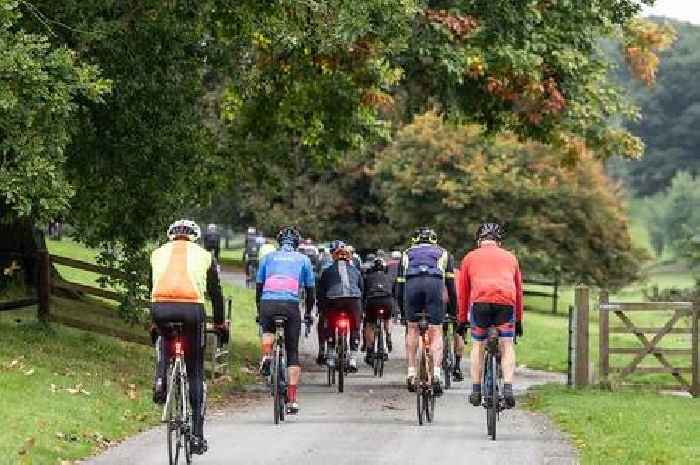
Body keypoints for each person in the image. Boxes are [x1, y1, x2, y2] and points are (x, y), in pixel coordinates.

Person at [150, 219, 227, 455]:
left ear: (170, 236)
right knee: (194, 369)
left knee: (164, 337)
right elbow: (215, 292)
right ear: (195, 237)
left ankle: (161, 380)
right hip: (192, 310)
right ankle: (197, 434)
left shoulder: (157, 254)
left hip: (161, 308)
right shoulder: (205, 256)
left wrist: (154, 320)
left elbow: (151, 285)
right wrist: (221, 322)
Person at [457, 223, 523, 409]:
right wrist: (518, 320)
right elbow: (519, 291)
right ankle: (508, 387)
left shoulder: (470, 257)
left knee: (478, 345)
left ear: (479, 241)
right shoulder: (511, 257)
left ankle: (476, 390)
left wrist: (462, 320)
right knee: (507, 344)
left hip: (481, 303)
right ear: (499, 242)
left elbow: (463, 293)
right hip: (505, 302)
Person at [256, 227, 315, 415]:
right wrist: (308, 313)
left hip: (268, 302)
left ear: (279, 242)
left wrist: (260, 310)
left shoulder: (268, 258)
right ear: (296, 244)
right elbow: (310, 291)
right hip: (290, 304)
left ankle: (266, 356)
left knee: (267, 331)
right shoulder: (303, 259)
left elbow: (259, 287)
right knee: (292, 351)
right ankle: (292, 399)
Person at [397, 227, 457, 395]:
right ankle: (437, 373)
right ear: (434, 240)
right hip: (434, 285)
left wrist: (403, 313)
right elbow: (451, 288)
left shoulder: (406, 253)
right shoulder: (444, 254)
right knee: (436, 330)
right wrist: (453, 312)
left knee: (413, 328)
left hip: (412, 285)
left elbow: (400, 285)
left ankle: (411, 372)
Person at [317, 241, 364, 372]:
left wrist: (321, 308)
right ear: (349, 258)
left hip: (334, 300)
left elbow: (321, 292)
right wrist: (362, 309)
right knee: (355, 326)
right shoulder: (355, 270)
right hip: (353, 300)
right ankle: (353, 358)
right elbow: (362, 289)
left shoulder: (327, 271)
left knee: (330, 324)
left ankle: (331, 354)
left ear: (334, 257)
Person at [363, 256, 394, 365]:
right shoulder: (389, 277)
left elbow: (363, 294)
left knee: (370, 324)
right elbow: (393, 292)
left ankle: (370, 350)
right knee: (387, 319)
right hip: (387, 301)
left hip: (372, 301)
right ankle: (388, 336)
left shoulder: (368, 277)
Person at [386, 250, 402, 319]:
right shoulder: (401, 263)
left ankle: (392, 311)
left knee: (391, 296)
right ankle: (398, 311)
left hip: (390, 281)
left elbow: (385, 272)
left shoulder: (389, 263)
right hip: (400, 281)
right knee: (398, 296)